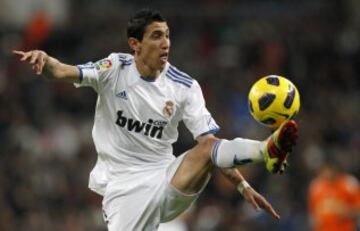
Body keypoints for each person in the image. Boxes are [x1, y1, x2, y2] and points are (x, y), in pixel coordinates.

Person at [13, 8, 298, 231]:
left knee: (204, 148)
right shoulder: (115, 67)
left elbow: (212, 148)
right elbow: (64, 72)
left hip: (166, 180)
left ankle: (265, 149)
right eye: (156, 36)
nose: (165, 43)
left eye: (167, 35)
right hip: (123, 188)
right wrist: (46, 61)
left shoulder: (185, 86)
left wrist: (242, 185)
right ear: (135, 44)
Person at [308, 155, 360, 231]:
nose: (326, 172)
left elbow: (358, 210)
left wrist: (344, 210)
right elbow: (313, 214)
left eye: (329, 169)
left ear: (335, 168)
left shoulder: (349, 183)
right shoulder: (316, 186)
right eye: (324, 169)